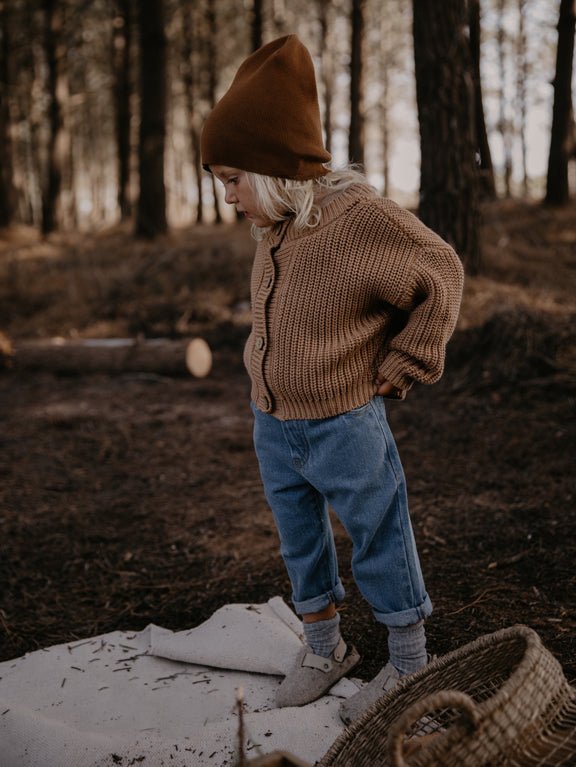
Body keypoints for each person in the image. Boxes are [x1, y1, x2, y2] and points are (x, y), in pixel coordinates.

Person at [200, 35, 464, 724]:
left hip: (346, 421)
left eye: (232, 179)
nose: (227, 197)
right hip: (273, 421)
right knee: (300, 538)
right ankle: (325, 647)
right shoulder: (277, 229)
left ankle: (410, 663)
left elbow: (442, 272)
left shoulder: (357, 220)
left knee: (379, 532)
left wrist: (408, 359)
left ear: (273, 166)